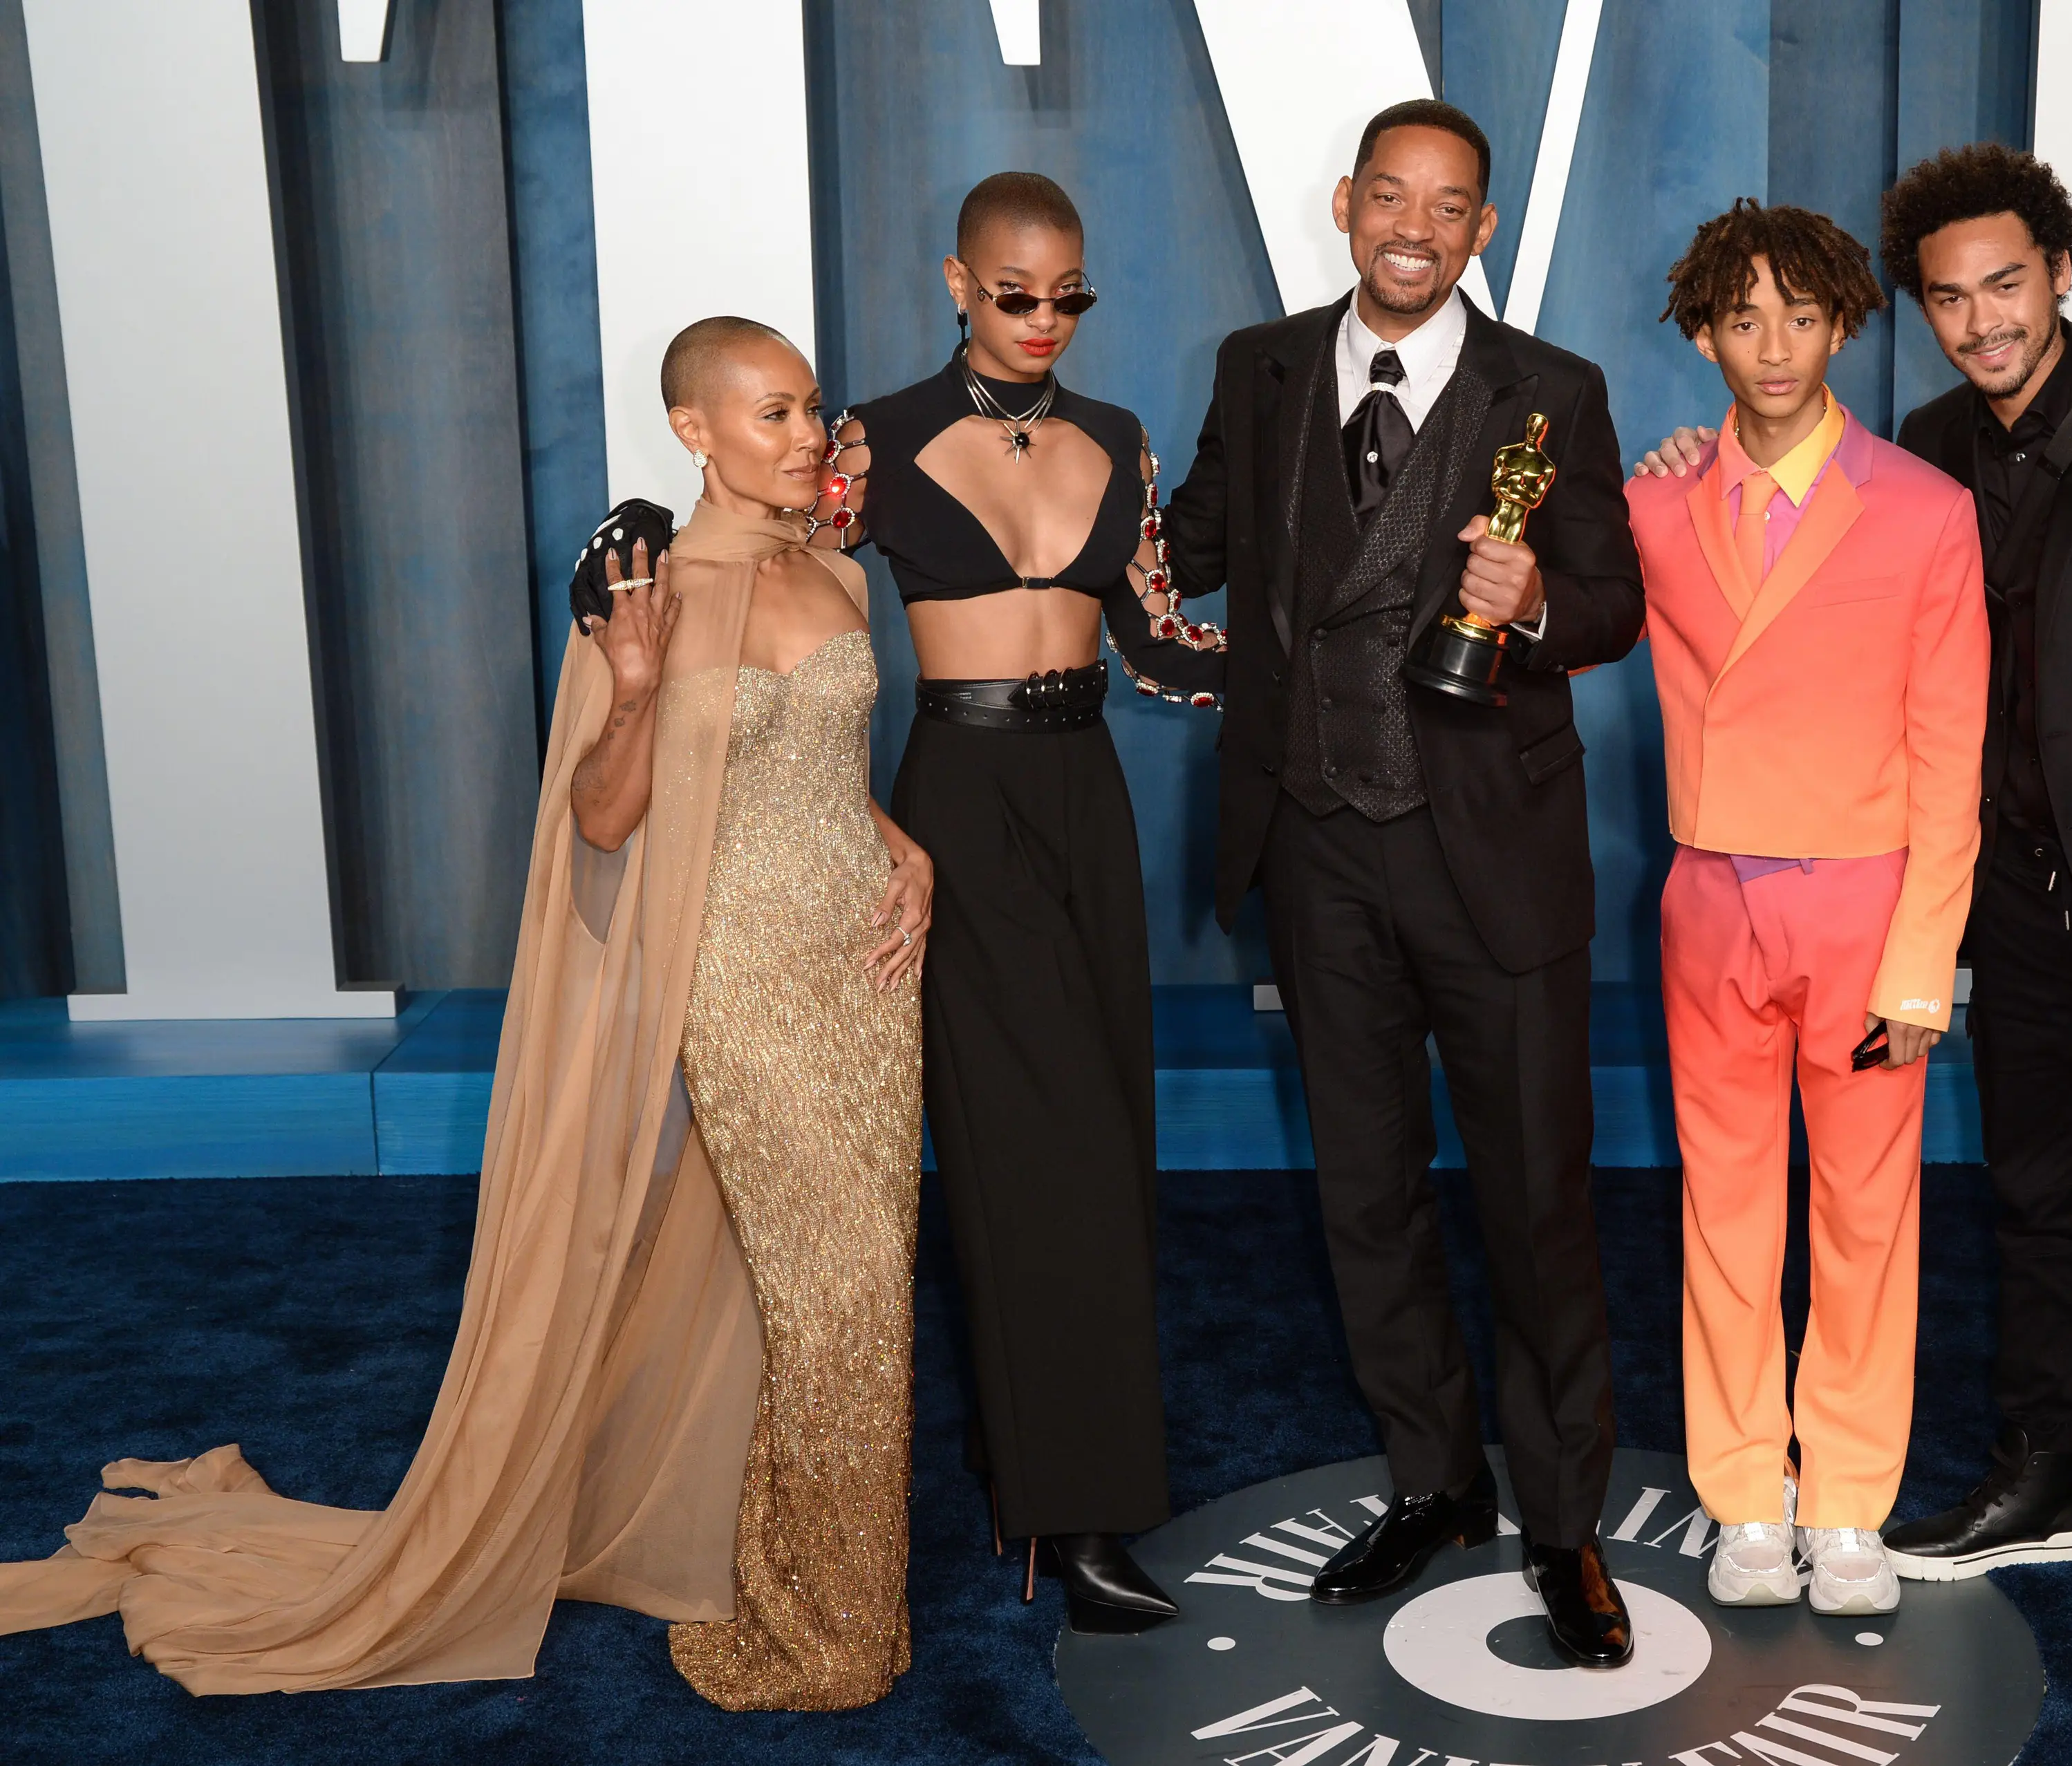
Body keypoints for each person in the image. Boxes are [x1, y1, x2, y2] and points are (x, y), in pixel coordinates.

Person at [0, 317, 933, 1714]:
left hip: (864, 968)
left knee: (865, 1285)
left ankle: (825, 1585)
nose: (810, 437)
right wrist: (629, 692)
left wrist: (903, 846)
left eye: (811, 411)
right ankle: (824, 1625)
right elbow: (605, 824)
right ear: (694, 429)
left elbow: (818, 767)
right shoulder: (653, 594)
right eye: (775, 414)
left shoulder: (840, 576)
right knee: (832, 1291)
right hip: (740, 982)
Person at [1651, 144, 2072, 1713]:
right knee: (2032, 1209)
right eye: (1949, 297)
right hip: (2007, 914)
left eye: (2005, 284)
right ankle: (2050, 1467)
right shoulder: (1927, 454)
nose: (1981, 319)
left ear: (2061, 272)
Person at [1159, 100, 1647, 1668]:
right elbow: (1190, 547)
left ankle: (1563, 1524)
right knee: (1365, 1194)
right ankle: (1434, 1476)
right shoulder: (1263, 366)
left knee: (1536, 1202)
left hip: (1491, 856)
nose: (1415, 227)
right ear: (1347, 205)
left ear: (1482, 230)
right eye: (1390, 197)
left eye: (1449, 205)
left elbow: (1619, 603)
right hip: (1318, 846)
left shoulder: (1552, 391)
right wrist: (1047, 477)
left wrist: (1542, 601)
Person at [803, 171, 1224, 1635]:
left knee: (1104, 1136)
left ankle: (1032, 1458)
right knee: (1032, 1149)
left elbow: (1165, 645)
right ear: (957, 282)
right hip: (959, 803)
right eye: (1013, 294)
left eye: (1070, 297)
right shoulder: (874, 437)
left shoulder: (1121, 439)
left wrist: (1336, 650)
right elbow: (789, 592)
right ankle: (1075, 1510)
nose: (1043, 321)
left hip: (1086, 796)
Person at [1622, 202, 1985, 1620]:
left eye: (1798, 315)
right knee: (1722, 1211)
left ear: (1843, 322)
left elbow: (1953, 758)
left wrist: (1923, 967)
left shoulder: (1921, 507)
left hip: (1867, 905)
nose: (1771, 346)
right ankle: (1742, 1496)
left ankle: (1844, 1498)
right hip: (1709, 900)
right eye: (1741, 317)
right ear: (1703, 332)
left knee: (1865, 1214)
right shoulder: (1650, 501)